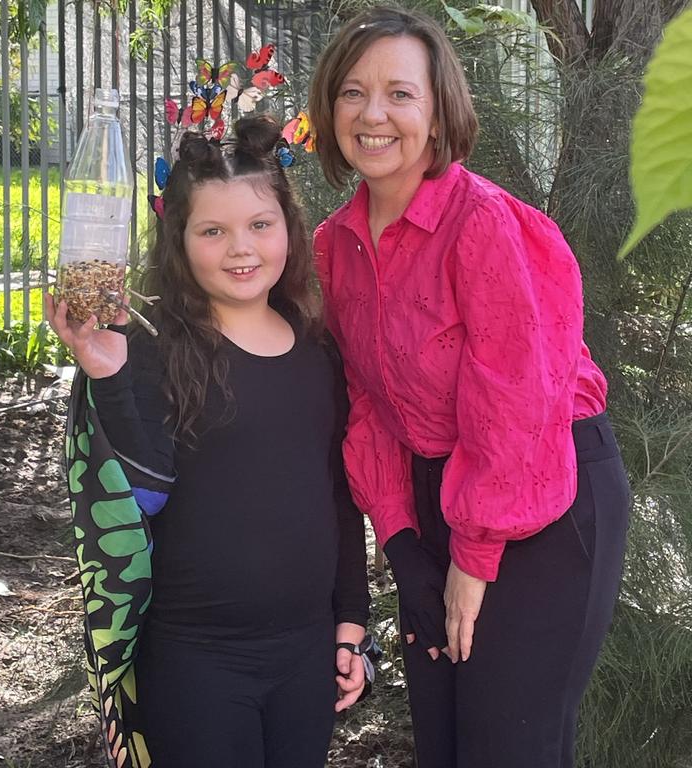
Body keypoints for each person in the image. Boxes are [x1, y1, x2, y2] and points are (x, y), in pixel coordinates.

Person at [308, 7, 630, 768]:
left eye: (400, 94)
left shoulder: (484, 224)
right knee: (446, 746)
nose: (373, 114)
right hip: (435, 499)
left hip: (543, 492)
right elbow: (366, 404)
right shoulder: (333, 247)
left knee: (506, 747)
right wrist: (403, 542)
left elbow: (517, 402)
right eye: (353, 93)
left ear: (439, 107)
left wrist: (471, 557)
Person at [46, 115, 370, 768]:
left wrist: (352, 622)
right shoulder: (157, 347)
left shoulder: (319, 352)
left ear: (289, 229)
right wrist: (110, 375)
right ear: (181, 241)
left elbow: (339, 496)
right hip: (196, 659)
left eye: (259, 225)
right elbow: (141, 492)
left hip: (306, 653)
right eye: (212, 231)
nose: (240, 248)